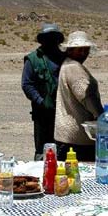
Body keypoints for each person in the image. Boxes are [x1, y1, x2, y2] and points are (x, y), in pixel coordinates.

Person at [54, 31, 104, 161]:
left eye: (85, 50)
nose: (83, 53)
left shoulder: (67, 64)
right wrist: (101, 116)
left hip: (66, 134)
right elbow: (86, 96)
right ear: (70, 50)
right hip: (78, 137)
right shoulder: (74, 68)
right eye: (79, 50)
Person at [22, 23, 66, 160]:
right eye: (48, 38)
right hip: (42, 114)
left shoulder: (65, 58)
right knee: (43, 150)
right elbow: (27, 84)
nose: (52, 41)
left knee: (63, 149)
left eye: (54, 37)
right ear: (42, 40)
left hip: (63, 112)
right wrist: (41, 101)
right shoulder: (33, 59)